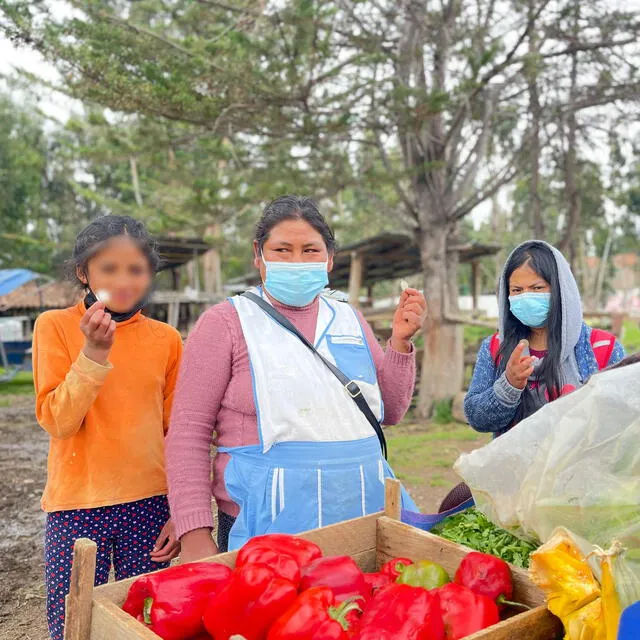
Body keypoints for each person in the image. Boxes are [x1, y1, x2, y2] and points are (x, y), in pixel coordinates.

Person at [166, 195, 427, 559]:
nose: (296, 261)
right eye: (282, 250)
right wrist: (194, 530)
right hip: (262, 525)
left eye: (310, 250)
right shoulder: (226, 322)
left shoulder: (348, 318)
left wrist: (399, 343)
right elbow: (188, 432)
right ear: (258, 255)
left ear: (329, 259)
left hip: (360, 515)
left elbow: (391, 412)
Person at [32, 216, 183, 640]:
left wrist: (180, 506)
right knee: (75, 622)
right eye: (108, 269)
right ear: (84, 273)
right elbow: (58, 421)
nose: (122, 280)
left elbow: (178, 431)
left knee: (146, 619)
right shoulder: (55, 327)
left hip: (150, 505)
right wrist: (94, 353)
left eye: (135, 270)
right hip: (76, 505)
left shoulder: (167, 339)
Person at [464, 240, 625, 435]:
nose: (526, 297)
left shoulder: (603, 347)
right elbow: (476, 418)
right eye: (516, 290)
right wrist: (509, 385)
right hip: (517, 464)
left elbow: (623, 416)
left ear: (561, 290)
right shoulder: (495, 347)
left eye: (537, 288)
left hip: (579, 465)